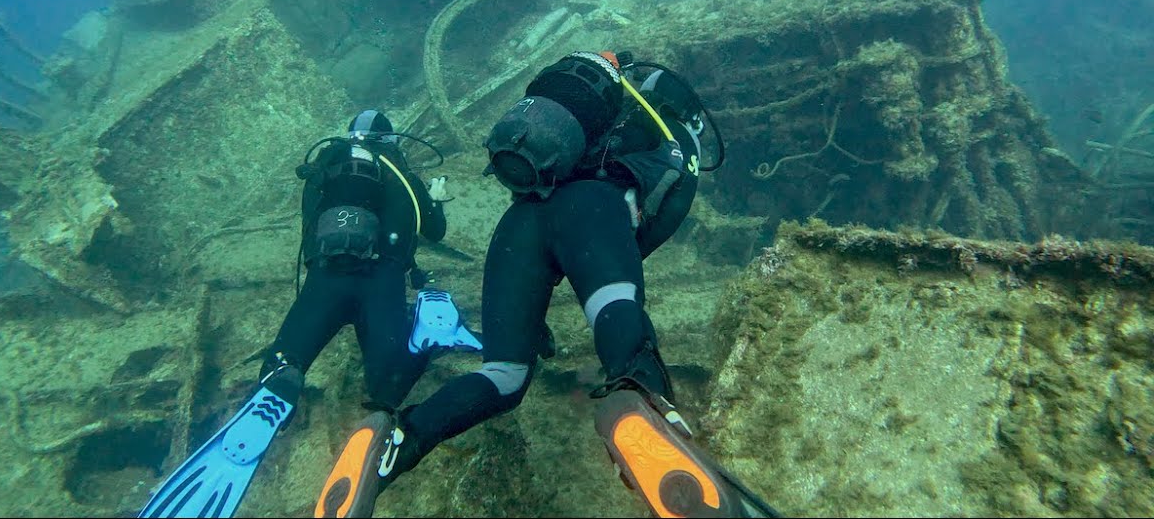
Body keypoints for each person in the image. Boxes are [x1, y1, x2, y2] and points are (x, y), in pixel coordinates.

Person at [313, 53, 778, 518]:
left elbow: (544, 217)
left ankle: (397, 441)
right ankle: (644, 402)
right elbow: (658, 223)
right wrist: (613, 264)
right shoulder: (671, 139)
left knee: (503, 373)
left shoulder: (569, 139)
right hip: (594, 212)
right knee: (622, 333)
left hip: (518, 225)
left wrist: (531, 315)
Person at [138, 109, 480, 519]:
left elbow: (308, 235)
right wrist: (436, 201)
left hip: (325, 281)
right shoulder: (400, 172)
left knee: (287, 360)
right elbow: (433, 231)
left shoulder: (324, 170)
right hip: (381, 283)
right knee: (388, 381)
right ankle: (382, 412)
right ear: (390, 142)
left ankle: (279, 383)